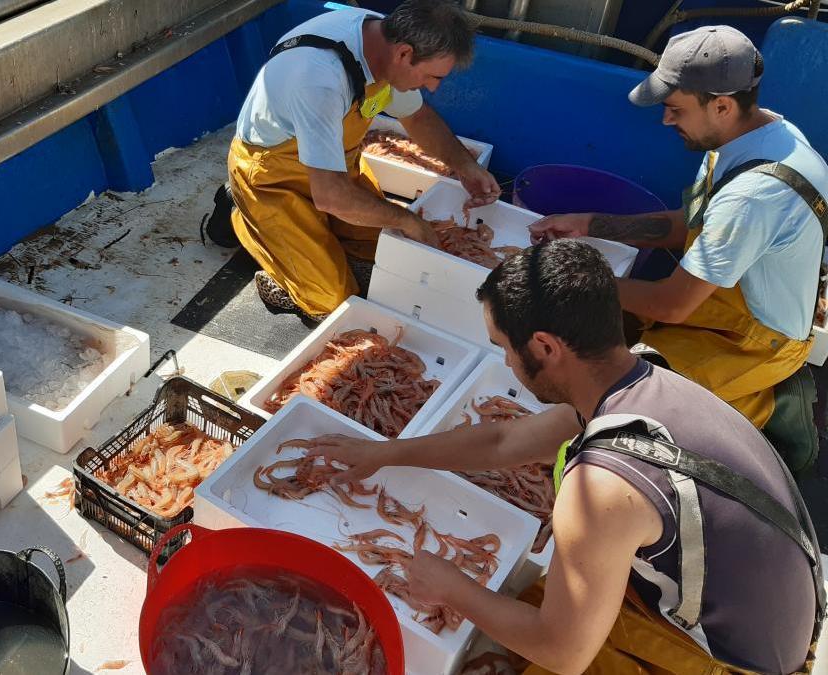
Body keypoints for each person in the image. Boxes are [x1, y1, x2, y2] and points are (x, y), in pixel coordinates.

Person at [305, 240, 821, 674]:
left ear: (546, 347)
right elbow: (501, 443)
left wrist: (451, 586)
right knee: (524, 607)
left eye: (504, 347)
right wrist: (384, 453)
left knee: (522, 640)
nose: (505, 362)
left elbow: (565, 652)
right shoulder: (639, 375)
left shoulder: (601, 485)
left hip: (739, 663)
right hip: (776, 612)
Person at [529, 25, 828, 475]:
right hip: (717, 308)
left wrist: (574, 283)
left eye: (675, 109)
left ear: (722, 105)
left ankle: (767, 405)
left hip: (749, 341)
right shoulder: (751, 136)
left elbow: (672, 305)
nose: (667, 120)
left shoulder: (754, 193)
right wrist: (590, 224)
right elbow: (686, 223)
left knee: (623, 407)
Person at [223, 0, 500, 320]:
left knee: (394, 252)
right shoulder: (319, 79)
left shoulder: (384, 40)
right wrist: (406, 219)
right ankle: (244, 215)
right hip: (272, 176)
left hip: (337, 164)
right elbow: (331, 195)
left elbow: (418, 117)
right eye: (432, 77)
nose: (433, 88)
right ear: (405, 55)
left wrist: (465, 166)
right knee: (333, 300)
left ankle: (310, 232)